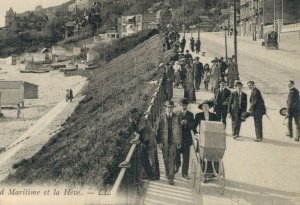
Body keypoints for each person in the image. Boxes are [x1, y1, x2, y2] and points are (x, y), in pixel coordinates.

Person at [129, 108, 160, 180]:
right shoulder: (138, 119)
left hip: (150, 140)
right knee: (145, 158)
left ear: (137, 113)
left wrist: (131, 123)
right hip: (146, 141)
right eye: (132, 116)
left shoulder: (142, 119)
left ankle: (155, 176)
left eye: (134, 115)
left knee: (152, 159)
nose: (133, 117)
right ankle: (149, 175)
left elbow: (138, 131)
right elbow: (136, 131)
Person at [157, 101, 182, 185]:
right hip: (164, 141)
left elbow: (179, 130)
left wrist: (179, 141)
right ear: (165, 108)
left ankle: (171, 177)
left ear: (173, 108)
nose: (170, 109)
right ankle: (167, 172)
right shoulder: (161, 117)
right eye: (168, 107)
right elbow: (158, 130)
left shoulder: (176, 117)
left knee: (172, 158)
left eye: (171, 107)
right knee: (165, 158)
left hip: (173, 141)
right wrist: (159, 142)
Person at [194, 100, 218, 177]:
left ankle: (211, 172)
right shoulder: (198, 115)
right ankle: (203, 172)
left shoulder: (213, 116)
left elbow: (217, 126)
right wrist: (196, 134)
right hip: (202, 138)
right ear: (202, 108)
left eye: (207, 106)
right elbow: (193, 126)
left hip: (211, 138)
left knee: (211, 154)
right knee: (202, 154)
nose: (205, 108)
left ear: (209, 107)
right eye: (204, 106)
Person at [175, 98, 197, 179]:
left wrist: (187, 123)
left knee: (186, 157)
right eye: (183, 105)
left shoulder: (190, 115)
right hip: (178, 139)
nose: (184, 107)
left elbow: (193, 126)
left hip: (187, 139)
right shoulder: (176, 114)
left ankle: (185, 173)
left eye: (185, 105)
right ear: (180, 105)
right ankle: (177, 165)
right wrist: (180, 124)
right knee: (176, 155)